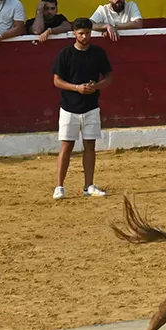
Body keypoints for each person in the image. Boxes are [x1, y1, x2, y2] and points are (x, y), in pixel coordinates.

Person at [50, 16, 110, 199]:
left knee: (90, 145)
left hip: (91, 106)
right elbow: (57, 81)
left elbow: (109, 77)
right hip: (69, 107)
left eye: (88, 33)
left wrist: (96, 86)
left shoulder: (98, 53)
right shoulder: (65, 54)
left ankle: (88, 185)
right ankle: (59, 186)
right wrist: (77, 88)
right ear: (74, 33)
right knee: (66, 146)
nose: (85, 37)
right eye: (81, 33)